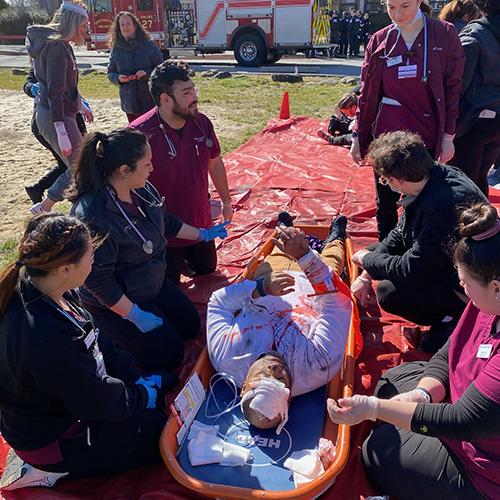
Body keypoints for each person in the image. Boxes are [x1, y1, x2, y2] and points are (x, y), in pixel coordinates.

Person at [328, 201, 500, 500]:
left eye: (465, 283)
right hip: (463, 408)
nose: (463, 290)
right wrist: (422, 394)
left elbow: (463, 421)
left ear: (496, 287)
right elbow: (451, 351)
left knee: (378, 451)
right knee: (394, 381)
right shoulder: (487, 302)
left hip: (481, 466)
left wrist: (374, 409)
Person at [0, 214, 172, 491]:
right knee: (159, 432)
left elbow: (98, 340)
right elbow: (95, 401)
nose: (95, 259)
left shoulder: (52, 287)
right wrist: (141, 396)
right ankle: (46, 470)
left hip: (68, 402)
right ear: (65, 268)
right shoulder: (43, 335)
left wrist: (134, 379)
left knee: (159, 386)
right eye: (91, 254)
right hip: (49, 438)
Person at [70, 128, 228, 371]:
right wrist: (134, 315)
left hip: (149, 281)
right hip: (117, 298)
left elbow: (167, 221)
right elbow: (98, 282)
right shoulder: (93, 215)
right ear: (125, 170)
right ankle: (108, 333)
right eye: (147, 164)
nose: (152, 169)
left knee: (190, 326)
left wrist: (202, 234)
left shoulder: (141, 189)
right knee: (169, 356)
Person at [207, 215, 352, 431]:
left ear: (244, 387)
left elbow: (217, 303)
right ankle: (335, 237)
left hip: (271, 277)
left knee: (277, 253)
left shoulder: (226, 358)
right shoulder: (319, 364)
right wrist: (306, 259)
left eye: (264, 376)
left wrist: (260, 288)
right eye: (280, 381)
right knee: (333, 260)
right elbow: (336, 302)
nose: (275, 368)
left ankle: (285, 229)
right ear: (290, 398)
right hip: (313, 290)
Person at [350, 132, 486, 352]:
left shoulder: (445, 205)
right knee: (374, 253)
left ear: (397, 180)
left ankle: (452, 319)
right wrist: (367, 271)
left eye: (385, 180)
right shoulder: (433, 177)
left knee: (389, 292)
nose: (386, 185)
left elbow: (412, 269)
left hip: (467, 280)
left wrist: (369, 260)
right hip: (444, 256)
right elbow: (399, 232)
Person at [351, 0, 464, 240]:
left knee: (421, 194)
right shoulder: (380, 39)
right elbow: (367, 93)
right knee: (386, 197)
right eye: (391, 7)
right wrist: (358, 137)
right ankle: (386, 250)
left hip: (426, 131)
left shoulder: (443, 34)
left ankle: (417, 249)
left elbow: (453, 88)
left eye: (404, 6)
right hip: (388, 133)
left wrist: (448, 136)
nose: (397, 14)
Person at [131, 61, 233, 285]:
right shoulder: (139, 134)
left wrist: (226, 201)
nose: (194, 98)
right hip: (164, 234)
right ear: (165, 98)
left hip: (200, 223)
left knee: (208, 271)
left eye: (194, 90)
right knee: (170, 290)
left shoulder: (201, 123)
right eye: (187, 93)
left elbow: (214, 163)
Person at [25, 0, 92, 215]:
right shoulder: (57, 47)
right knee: (78, 165)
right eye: (83, 25)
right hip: (56, 115)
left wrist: (80, 104)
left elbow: (65, 85)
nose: (86, 30)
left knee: (81, 164)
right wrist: (61, 129)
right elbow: (55, 91)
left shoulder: (59, 45)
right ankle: (44, 207)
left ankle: (59, 206)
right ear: (72, 23)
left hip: (62, 113)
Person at [450, 0, 500, 197]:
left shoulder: (476, 33)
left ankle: (470, 225)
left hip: (474, 118)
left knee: (463, 182)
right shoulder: (478, 32)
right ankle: (484, 223)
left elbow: (459, 82)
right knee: (479, 177)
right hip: (496, 118)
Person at [23, 66, 88, 204]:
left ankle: (38, 188)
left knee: (69, 163)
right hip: (53, 121)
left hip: (69, 115)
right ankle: (50, 200)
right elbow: (27, 85)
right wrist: (32, 88)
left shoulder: (65, 56)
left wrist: (80, 102)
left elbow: (69, 88)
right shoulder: (44, 62)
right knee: (76, 164)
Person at [107, 12, 164, 123]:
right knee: (135, 135)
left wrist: (146, 74)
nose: (125, 27)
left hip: (150, 100)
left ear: (135, 25)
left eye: (128, 23)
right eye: (122, 24)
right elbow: (110, 73)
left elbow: (161, 69)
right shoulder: (116, 48)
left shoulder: (149, 45)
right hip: (129, 102)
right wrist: (118, 78)